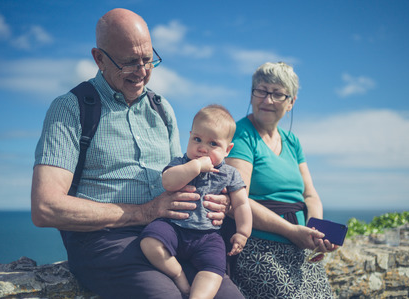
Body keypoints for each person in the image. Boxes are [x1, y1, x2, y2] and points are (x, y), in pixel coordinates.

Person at [31, 8, 244, 299]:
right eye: (130, 62)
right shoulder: (70, 108)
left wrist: (220, 203)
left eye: (148, 59)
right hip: (104, 240)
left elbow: (183, 175)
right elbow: (45, 208)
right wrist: (145, 212)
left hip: (172, 233)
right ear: (99, 59)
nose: (143, 71)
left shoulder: (162, 108)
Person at [225, 62, 337, 298]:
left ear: (291, 102)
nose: (267, 100)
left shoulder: (292, 141)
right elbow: (236, 199)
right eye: (262, 91)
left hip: (299, 246)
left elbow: (310, 194)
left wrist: (314, 231)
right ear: (252, 93)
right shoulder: (240, 134)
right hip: (258, 248)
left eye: (277, 94)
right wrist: (290, 231)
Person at [140, 105, 252, 299]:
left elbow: (242, 203)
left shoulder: (230, 174)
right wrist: (196, 166)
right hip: (174, 227)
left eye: (213, 144)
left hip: (208, 236)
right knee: (150, 241)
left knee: (214, 270)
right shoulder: (181, 163)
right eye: (197, 139)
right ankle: (178, 274)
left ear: (227, 149)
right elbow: (168, 181)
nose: (202, 148)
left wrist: (242, 232)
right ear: (189, 136)